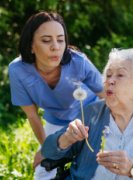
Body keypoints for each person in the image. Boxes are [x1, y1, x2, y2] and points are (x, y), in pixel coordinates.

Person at [41, 48, 133, 180]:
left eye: (120, 75)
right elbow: (47, 150)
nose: (110, 80)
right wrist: (66, 138)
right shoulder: (92, 112)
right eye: (108, 75)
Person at [8, 11, 104, 180]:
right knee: (42, 171)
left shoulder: (78, 62)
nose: (56, 47)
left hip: (89, 117)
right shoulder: (18, 70)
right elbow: (32, 115)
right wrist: (47, 149)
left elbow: (107, 95)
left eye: (60, 40)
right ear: (31, 45)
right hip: (56, 121)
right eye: (46, 40)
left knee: (92, 167)